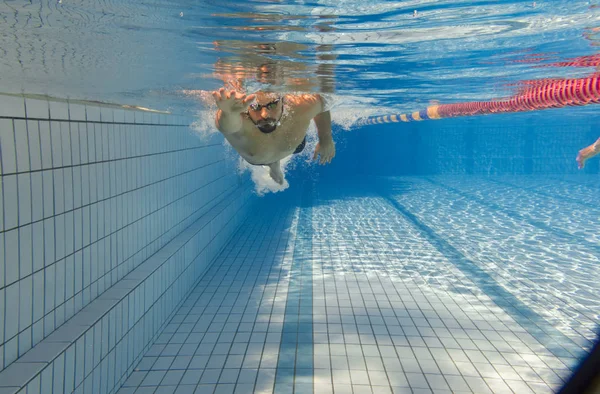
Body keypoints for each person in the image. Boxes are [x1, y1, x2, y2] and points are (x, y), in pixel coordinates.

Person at [212, 88, 335, 184]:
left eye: (272, 105)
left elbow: (323, 103)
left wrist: (325, 139)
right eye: (255, 106)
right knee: (263, 153)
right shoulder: (240, 119)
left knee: (290, 144)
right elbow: (226, 125)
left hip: (292, 145)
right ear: (247, 107)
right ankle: (273, 164)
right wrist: (228, 113)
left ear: (283, 100)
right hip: (259, 158)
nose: (264, 115)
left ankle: (274, 163)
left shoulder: (299, 107)